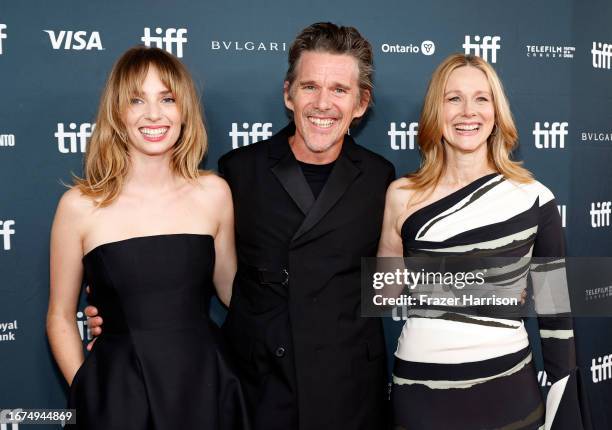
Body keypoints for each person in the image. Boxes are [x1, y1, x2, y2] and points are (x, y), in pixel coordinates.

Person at [377, 53, 591, 429]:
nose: (467, 111)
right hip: (420, 392)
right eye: (453, 98)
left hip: (508, 391)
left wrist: (563, 399)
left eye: (481, 98)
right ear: (435, 110)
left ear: (496, 111)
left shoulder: (534, 197)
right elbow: (384, 295)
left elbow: (555, 312)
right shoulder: (401, 195)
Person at [46, 46, 249, 429]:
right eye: (136, 100)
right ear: (117, 114)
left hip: (206, 387)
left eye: (167, 99)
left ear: (184, 110)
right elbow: (59, 317)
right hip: (119, 396)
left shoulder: (214, 193)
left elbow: (234, 293)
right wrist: (90, 392)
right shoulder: (79, 206)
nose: (153, 114)